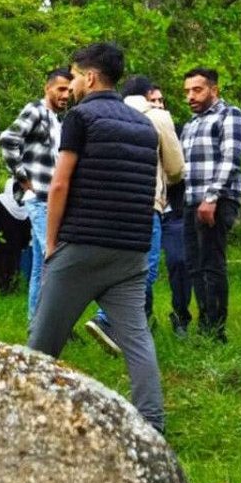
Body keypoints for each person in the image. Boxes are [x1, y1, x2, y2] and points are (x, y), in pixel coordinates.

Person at [26, 43, 165, 433]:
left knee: (42, 340)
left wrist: (52, 245)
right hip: (131, 252)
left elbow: (59, 184)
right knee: (136, 340)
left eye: (72, 77)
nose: (69, 86)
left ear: (89, 77)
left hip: (81, 245)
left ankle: (23, 418)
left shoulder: (80, 118)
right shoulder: (144, 124)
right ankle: (152, 423)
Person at [83, 75, 184, 354]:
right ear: (149, 94)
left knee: (115, 264)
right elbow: (176, 167)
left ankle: (130, 333)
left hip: (106, 205)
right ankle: (107, 321)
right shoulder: (158, 117)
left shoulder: (101, 114)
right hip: (145, 202)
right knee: (144, 269)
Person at [0, 68, 73, 321]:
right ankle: (49, 323)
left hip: (51, 199)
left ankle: (36, 323)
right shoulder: (37, 110)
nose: (65, 95)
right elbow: (8, 139)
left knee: (42, 266)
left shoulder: (57, 119)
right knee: (53, 258)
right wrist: (21, 177)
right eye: (61, 89)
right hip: (39, 198)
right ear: (47, 88)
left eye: (69, 91)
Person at [180, 67, 241, 343]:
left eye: (197, 90)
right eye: (187, 92)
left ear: (214, 90)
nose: (190, 97)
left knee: (212, 263)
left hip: (217, 200)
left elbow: (231, 159)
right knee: (195, 265)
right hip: (190, 201)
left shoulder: (230, 115)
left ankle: (216, 331)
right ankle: (205, 326)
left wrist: (211, 198)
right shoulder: (191, 124)